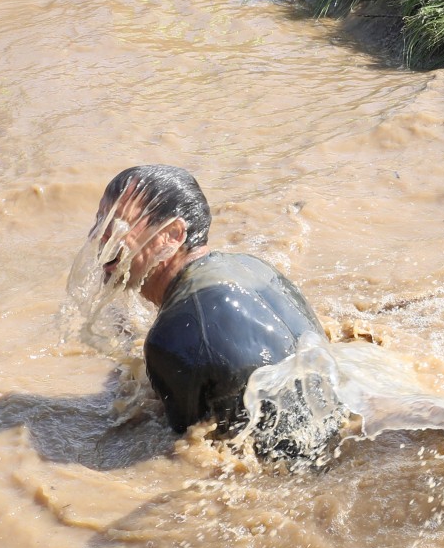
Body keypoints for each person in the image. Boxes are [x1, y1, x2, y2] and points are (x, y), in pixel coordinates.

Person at [86, 165, 335, 458]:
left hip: (290, 474)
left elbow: (184, 449)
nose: (97, 236)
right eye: (98, 222)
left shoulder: (173, 338)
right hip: (332, 433)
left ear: (172, 234)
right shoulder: (253, 266)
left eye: (116, 226)